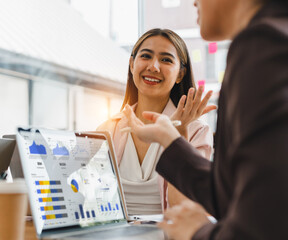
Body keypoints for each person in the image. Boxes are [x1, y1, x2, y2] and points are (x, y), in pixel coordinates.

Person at [124, 0, 288, 239]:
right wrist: (172, 139)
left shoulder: (263, 42)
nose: (194, 2)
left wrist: (196, 232)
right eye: (145, 56)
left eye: (167, 59)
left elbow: (260, 226)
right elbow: (232, 195)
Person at [97, 28, 216, 215]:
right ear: (131, 64)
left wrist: (178, 137)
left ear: (180, 74)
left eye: (166, 59)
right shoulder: (107, 129)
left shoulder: (196, 132)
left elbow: (184, 211)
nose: (153, 66)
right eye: (145, 56)